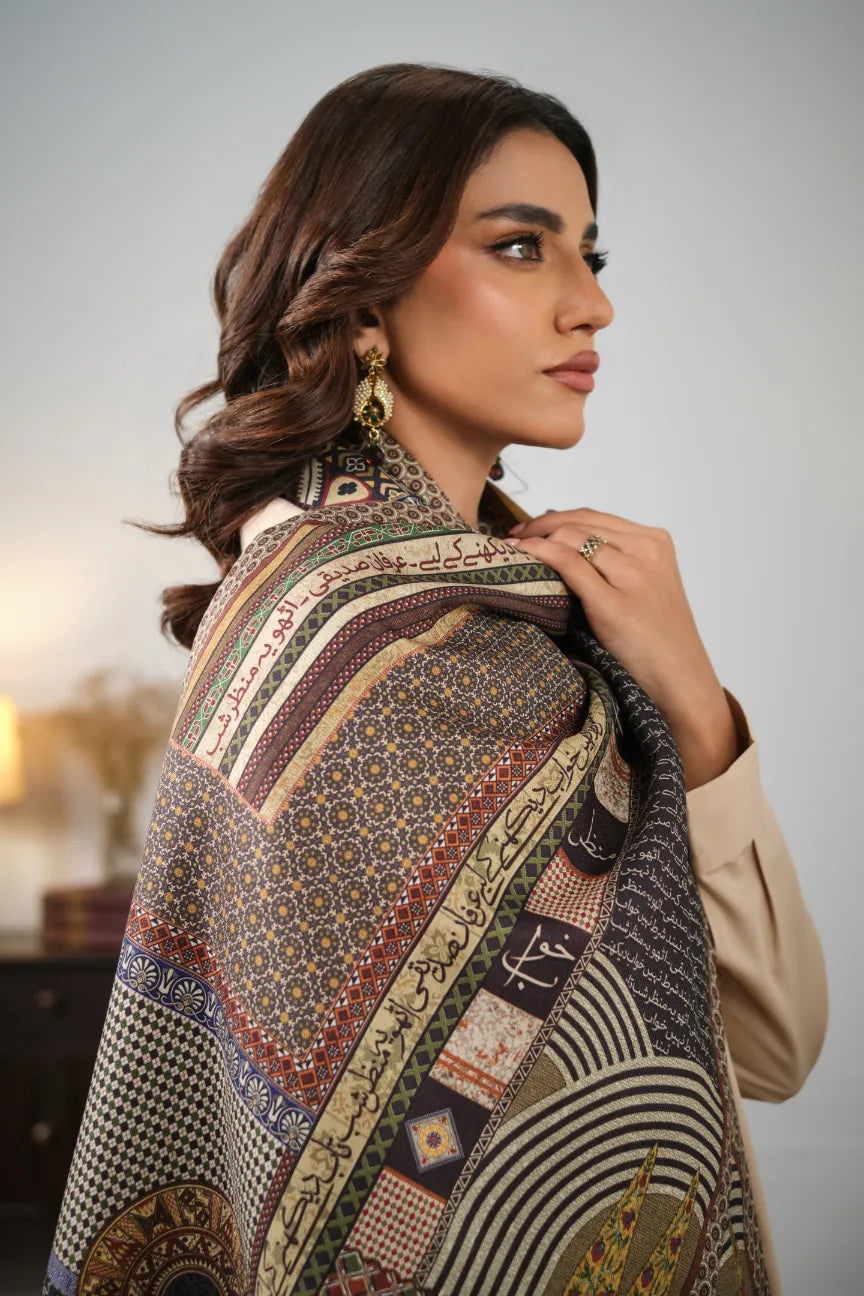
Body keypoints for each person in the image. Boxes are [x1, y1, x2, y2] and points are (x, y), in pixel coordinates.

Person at [44, 62, 827, 1296]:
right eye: (521, 247)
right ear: (364, 303)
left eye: (590, 255)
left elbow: (768, 1048)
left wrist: (691, 694)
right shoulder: (341, 632)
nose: (593, 306)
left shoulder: (540, 622)